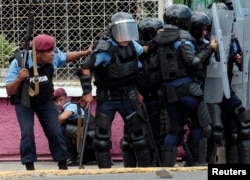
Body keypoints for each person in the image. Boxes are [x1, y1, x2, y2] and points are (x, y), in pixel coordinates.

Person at [5, 34, 92, 170]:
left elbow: (67, 56)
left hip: (45, 101)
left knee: (55, 130)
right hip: (24, 101)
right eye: (49, 52)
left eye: (53, 50)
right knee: (27, 132)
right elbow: (9, 91)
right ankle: (29, 165)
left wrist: (85, 52)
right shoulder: (19, 62)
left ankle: (62, 162)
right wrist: (19, 79)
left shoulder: (54, 58)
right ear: (38, 54)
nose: (53, 54)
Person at [77, 12, 151, 168]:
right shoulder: (104, 49)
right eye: (122, 31)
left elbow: (141, 63)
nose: (125, 36)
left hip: (129, 95)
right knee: (101, 138)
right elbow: (85, 67)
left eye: (128, 30)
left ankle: (145, 172)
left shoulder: (133, 45)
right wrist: (87, 92)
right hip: (108, 98)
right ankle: (105, 173)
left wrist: (140, 91)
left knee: (138, 137)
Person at [149, 4, 215, 167]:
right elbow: (193, 63)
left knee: (174, 130)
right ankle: (199, 164)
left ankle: (167, 167)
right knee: (202, 126)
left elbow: (151, 62)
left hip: (168, 91)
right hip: (188, 89)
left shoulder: (160, 40)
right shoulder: (184, 38)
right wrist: (210, 48)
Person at [53, 87, 96, 166]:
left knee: (61, 130)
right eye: (56, 101)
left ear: (66, 98)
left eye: (61, 100)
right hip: (85, 134)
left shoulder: (70, 106)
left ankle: (72, 158)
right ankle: (73, 157)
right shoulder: (65, 107)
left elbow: (62, 118)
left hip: (89, 135)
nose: (59, 103)